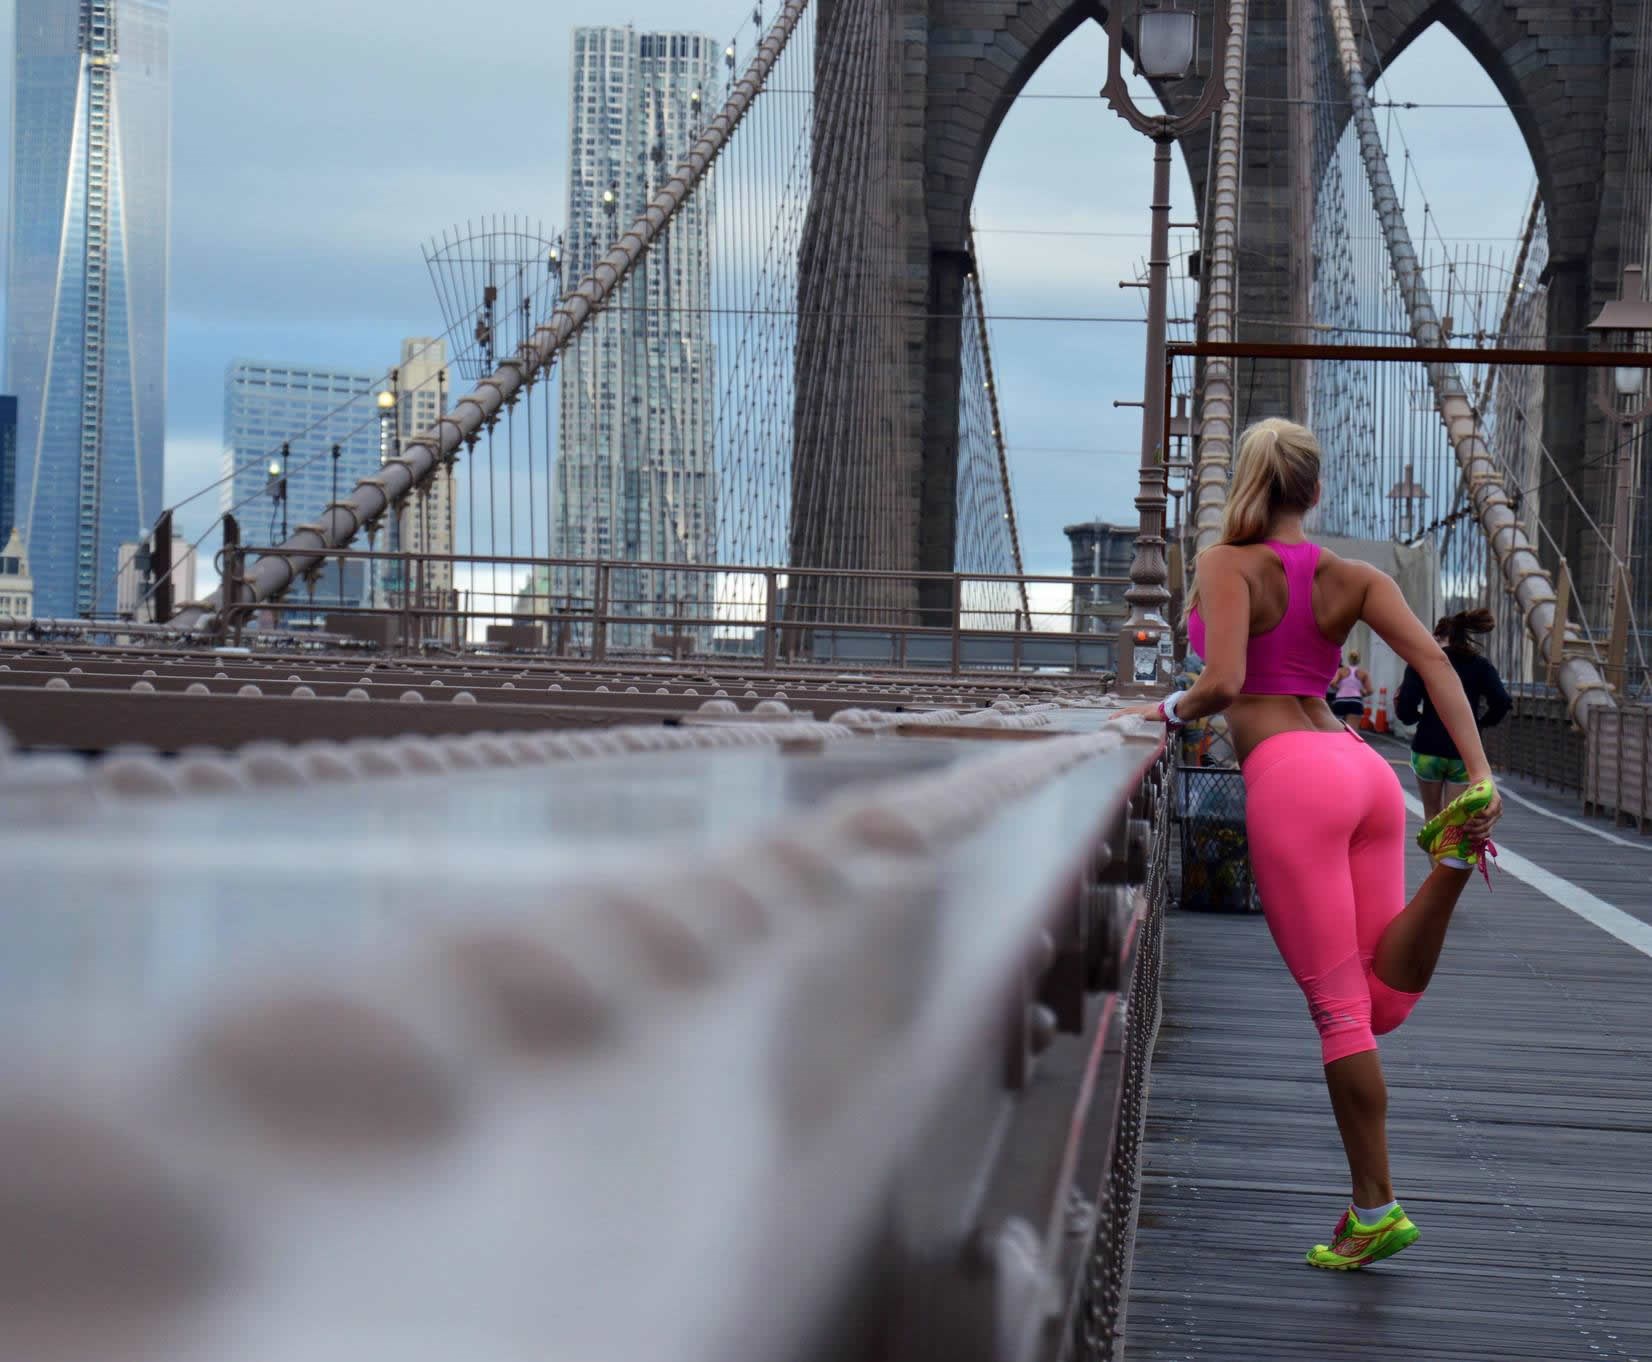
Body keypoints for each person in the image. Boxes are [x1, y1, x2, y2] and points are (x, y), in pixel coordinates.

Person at [1120, 417, 1502, 1272]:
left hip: (1291, 781)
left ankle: (1376, 1209)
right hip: (1361, 772)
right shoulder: (1353, 577)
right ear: (1316, 491)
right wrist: (1477, 776)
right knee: (1381, 1007)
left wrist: (1150, 714)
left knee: (1339, 1013)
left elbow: (1220, 685)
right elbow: (1437, 667)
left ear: (1248, 482)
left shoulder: (1226, 566)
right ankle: (1449, 858)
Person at [1396, 611, 1511, 823]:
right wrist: (1481, 724)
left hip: (1427, 748)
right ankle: (1447, 853)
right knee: (1452, 825)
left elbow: (1406, 704)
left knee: (1432, 818)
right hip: (1462, 753)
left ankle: (1434, 857)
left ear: (1439, 637)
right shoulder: (1480, 665)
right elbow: (1502, 701)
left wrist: (1416, 718)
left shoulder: (1423, 662)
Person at [1330, 649, 1372, 720]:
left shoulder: (1341, 671)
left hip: (1340, 700)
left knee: (1337, 729)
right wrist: (1362, 693)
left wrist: (1340, 688)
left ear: (1349, 659)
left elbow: (1333, 683)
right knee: (1352, 729)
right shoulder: (1363, 673)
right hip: (1355, 701)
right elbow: (1370, 690)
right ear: (1359, 660)